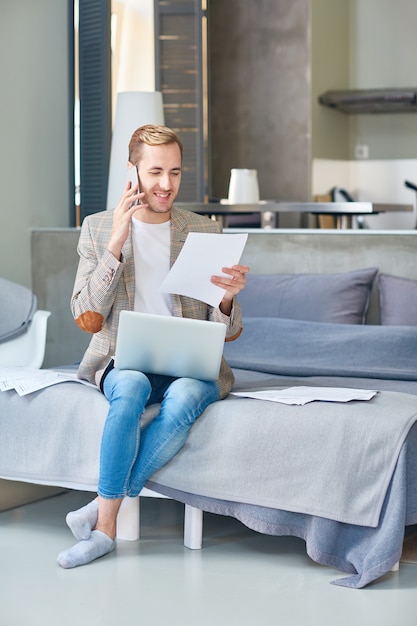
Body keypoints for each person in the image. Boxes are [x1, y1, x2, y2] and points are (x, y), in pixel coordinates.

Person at [57, 124, 249, 568]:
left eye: (176, 172)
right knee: (130, 391)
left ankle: (104, 512)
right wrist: (117, 244)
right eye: (156, 171)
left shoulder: (202, 230)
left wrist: (227, 297)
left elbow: (229, 329)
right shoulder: (98, 227)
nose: (166, 184)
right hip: (124, 358)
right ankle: (106, 531)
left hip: (191, 365)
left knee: (183, 395)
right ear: (133, 172)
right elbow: (86, 317)